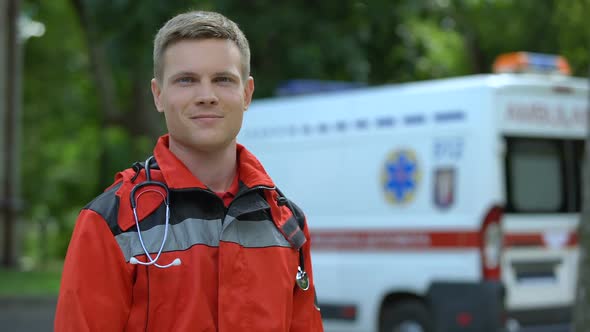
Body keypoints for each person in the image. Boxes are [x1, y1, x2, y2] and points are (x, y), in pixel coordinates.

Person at [54, 10, 324, 332]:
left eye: (223, 79)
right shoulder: (111, 222)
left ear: (247, 93)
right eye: (187, 80)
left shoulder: (287, 224)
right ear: (158, 95)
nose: (206, 96)